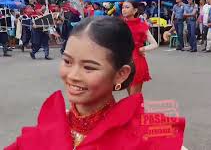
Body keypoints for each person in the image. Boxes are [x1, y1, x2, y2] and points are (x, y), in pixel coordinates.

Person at [5, 16, 185, 150]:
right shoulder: (50, 125)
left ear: (120, 75)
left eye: (89, 67)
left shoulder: (148, 136)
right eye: (67, 61)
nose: (73, 75)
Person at [122, 0, 158, 95]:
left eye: (127, 7)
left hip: (137, 62)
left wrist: (142, 49)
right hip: (123, 62)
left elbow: (154, 44)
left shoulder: (141, 26)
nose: (124, 10)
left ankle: (137, 109)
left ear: (134, 11)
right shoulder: (120, 25)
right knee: (130, 96)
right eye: (123, 7)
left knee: (134, 97)